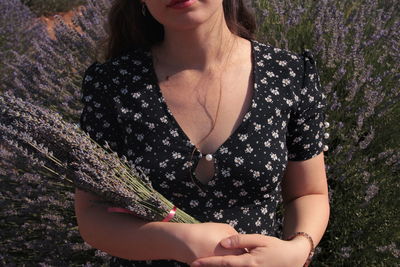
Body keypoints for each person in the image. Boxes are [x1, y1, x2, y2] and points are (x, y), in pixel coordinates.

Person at [74, 0, 330, 266]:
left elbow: (308, 193)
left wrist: (299, 249)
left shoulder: (287, 75)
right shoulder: (114, 85)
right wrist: (176, 240)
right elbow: (93, 212)